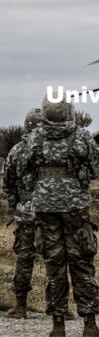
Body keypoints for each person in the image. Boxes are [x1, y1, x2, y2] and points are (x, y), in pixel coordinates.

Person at [26, 96, 99, 337]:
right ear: (69, 111)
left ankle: (58, 325)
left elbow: (26, 171)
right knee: (82, 263)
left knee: (54, 266)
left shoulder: (34, 137)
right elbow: (96, 168)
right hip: (75, 209)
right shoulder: (81, 136)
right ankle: (89, 325)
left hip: (45, 209)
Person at [2, 109, 42, 319]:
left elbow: (7, 183)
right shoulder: (51, 149)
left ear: (27, 125)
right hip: (51, 210)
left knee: (24, 258)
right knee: (56, 259)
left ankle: (21, 306)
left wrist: (15, 205)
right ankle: (61, 307)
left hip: (25, 211)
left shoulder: (16, 151)